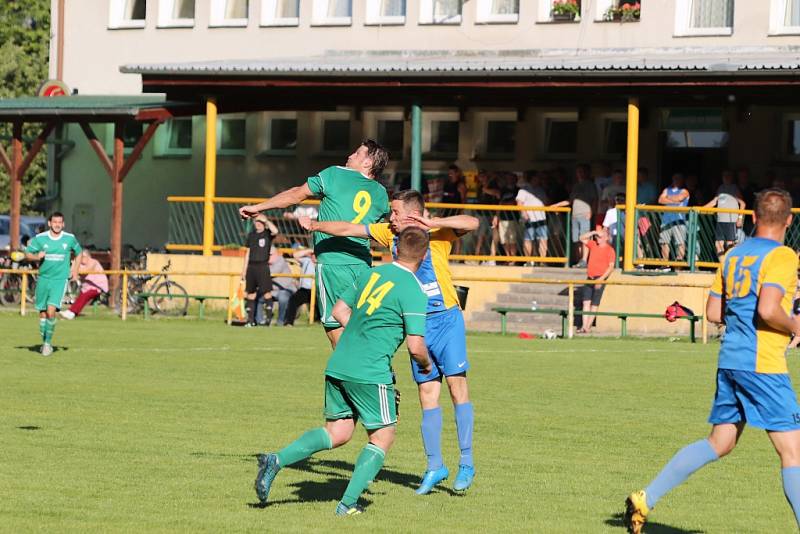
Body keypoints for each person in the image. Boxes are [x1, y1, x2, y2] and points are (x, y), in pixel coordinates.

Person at [624, 188, 800, 534]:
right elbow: (767, 309)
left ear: (751, 217)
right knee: (794, 453)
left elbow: (713, 312)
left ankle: (645, 498)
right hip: (762, 364)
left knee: (720, 442)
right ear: (790, 220)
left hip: (731, 359)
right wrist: (794, 324)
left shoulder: (732, 255)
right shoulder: (783, 257)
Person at [300, 189, 479, 494]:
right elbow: (348, 228)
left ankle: (466, 462)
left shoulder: (438, 233)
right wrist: (316, 226)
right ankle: (435, 466)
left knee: (456, 387)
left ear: (412, 213)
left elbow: (472, 222)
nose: (390, 217)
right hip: (418, 326)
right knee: (426, 395)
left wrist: (432, 220)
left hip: (447, 320)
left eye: (395, 211)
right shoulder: (390, 234)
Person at [253, 227, 433, 515]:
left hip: (340, 362)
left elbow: (339, 312)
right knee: (382, 436)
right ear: (424, 257)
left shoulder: (371, 273)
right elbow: (416, 347)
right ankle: (347, 504)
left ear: (395, 249)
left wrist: (359, 337)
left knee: (338, 431)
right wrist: (427, 365)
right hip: (370, 370)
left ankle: (276, 459)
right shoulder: (414, 289)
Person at [239, 139, 391, 347]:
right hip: (363, 266)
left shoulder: (336, 174)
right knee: (359, 322)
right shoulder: (381, 194)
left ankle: (358, 371)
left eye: (356, 154)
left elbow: (296, 194)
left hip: (332, 264)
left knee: (335, 328)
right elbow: (378, 232)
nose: (349, 156)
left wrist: (259, 207)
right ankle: (374, 363)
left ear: (367, 163)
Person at [24, 212, 81, 356]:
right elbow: (27, 253)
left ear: (63, 224)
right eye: (54, 222)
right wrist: (37, 256)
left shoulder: (69, 239)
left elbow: (79, 252)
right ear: (49, 223)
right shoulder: (40, 238)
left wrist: (75, 271)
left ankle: (47, 344)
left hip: (60, 280)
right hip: (43, 279)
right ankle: (45, 340)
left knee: (51, 310)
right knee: (42, 313)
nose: (57, 225)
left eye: (60, 222)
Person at [552, 164, 597, 268]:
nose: (580, 174)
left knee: (585, 238)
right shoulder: (576, 185)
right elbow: (570, 200)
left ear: (586, 173)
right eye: (578, 172)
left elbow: (595, 199)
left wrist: (591, 212)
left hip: (585, 214)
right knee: (576, 239)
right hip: (575, 215)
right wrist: (557, 205)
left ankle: (585, 260)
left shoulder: (590, 184)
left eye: (582, 171)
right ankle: (579, 261)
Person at [241, 215, 279, 327]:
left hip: (263, 266)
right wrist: (244, 270)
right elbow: (247, 253)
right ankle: (250, 321)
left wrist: (266, 220)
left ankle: (268, 320)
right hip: (251, 267)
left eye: (260, 222)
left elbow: (275, 231)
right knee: (250, 293)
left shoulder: (267, 233)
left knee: (267, 292)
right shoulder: (251, 235)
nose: (258, 223)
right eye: (256, 222)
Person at [578, 228, 616, 334]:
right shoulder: (593, 244)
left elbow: (611, 267)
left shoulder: (610, 250)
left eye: (600, 236)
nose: (598, 238)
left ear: (606, 238)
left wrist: (601, 279)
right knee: (586, 302)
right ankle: (584, 326)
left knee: (594, 304)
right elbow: (581, 238)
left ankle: (588, 326)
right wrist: (594, 232)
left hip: (599, 278)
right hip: (590, 277)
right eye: (597, 237)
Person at [704, 170, 746, 256]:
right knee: (718, 244)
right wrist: (699, 209)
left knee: (730, 245)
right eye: (724, 176)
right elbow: (714, 202)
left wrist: (740, 218)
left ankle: (730, 266)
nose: (726, 178)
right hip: (720, 220)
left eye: (728, 176)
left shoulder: (734, 188)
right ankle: (722, 265)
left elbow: (742, 203)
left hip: (730, 221)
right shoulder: (720, 188)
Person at [59, 250, 108, 320]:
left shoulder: (93, 262)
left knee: (85, 295)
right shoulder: (80, 264)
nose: (81, 259)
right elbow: (70, 276)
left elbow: (86, 271)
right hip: (87, 287)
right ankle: (71, 311)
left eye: (83, 257)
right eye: (79, 257)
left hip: (98, 287)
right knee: (80, 296)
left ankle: (72, 312)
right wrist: (73, 265)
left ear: (88, 256)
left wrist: (76, 267)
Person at [658, 173, 690, 265]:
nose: (676, 180)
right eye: (675, 178)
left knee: (680, 243)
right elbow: (660, 200)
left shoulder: (684, 190)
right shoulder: (666, 189)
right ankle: (665, 264)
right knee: (664, 242)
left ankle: (678, 265)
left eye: (679, 178)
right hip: (666, 219)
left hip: (679, 221)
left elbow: (680, 198)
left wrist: (667, 197)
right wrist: (673, 200)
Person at [516, 172, 549, 263]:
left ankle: (542, 261)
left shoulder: (541, 190)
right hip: (529, 219)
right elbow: (519, 203)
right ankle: (528, 261)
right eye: (537, 178)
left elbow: (546, 202)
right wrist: (524, 213)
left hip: (541, 219)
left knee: (543, 239)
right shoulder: (523, 190)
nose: (538, 180)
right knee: (528, 239)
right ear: (532, 179)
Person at [258, 246, 294, 326]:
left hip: (286, 289)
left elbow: (270, 272)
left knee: (283, 297)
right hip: (272, 290)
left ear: (276, 254)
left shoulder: (280, 260)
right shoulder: (266, 263)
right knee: (258, 297)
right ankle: (259, 320)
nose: (267, 256)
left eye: (269, 255)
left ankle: (281, 321)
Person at [283, 247, 317, 326]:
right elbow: (295, 255)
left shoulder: (323, 263)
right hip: (305, 290)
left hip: (317, 290)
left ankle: (317, 321)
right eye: (312, 255)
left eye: (315, 255)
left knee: (319, 305)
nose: (313, 256)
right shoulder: (307, 261)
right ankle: (289, 322)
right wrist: (310, 250)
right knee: (293, 300)